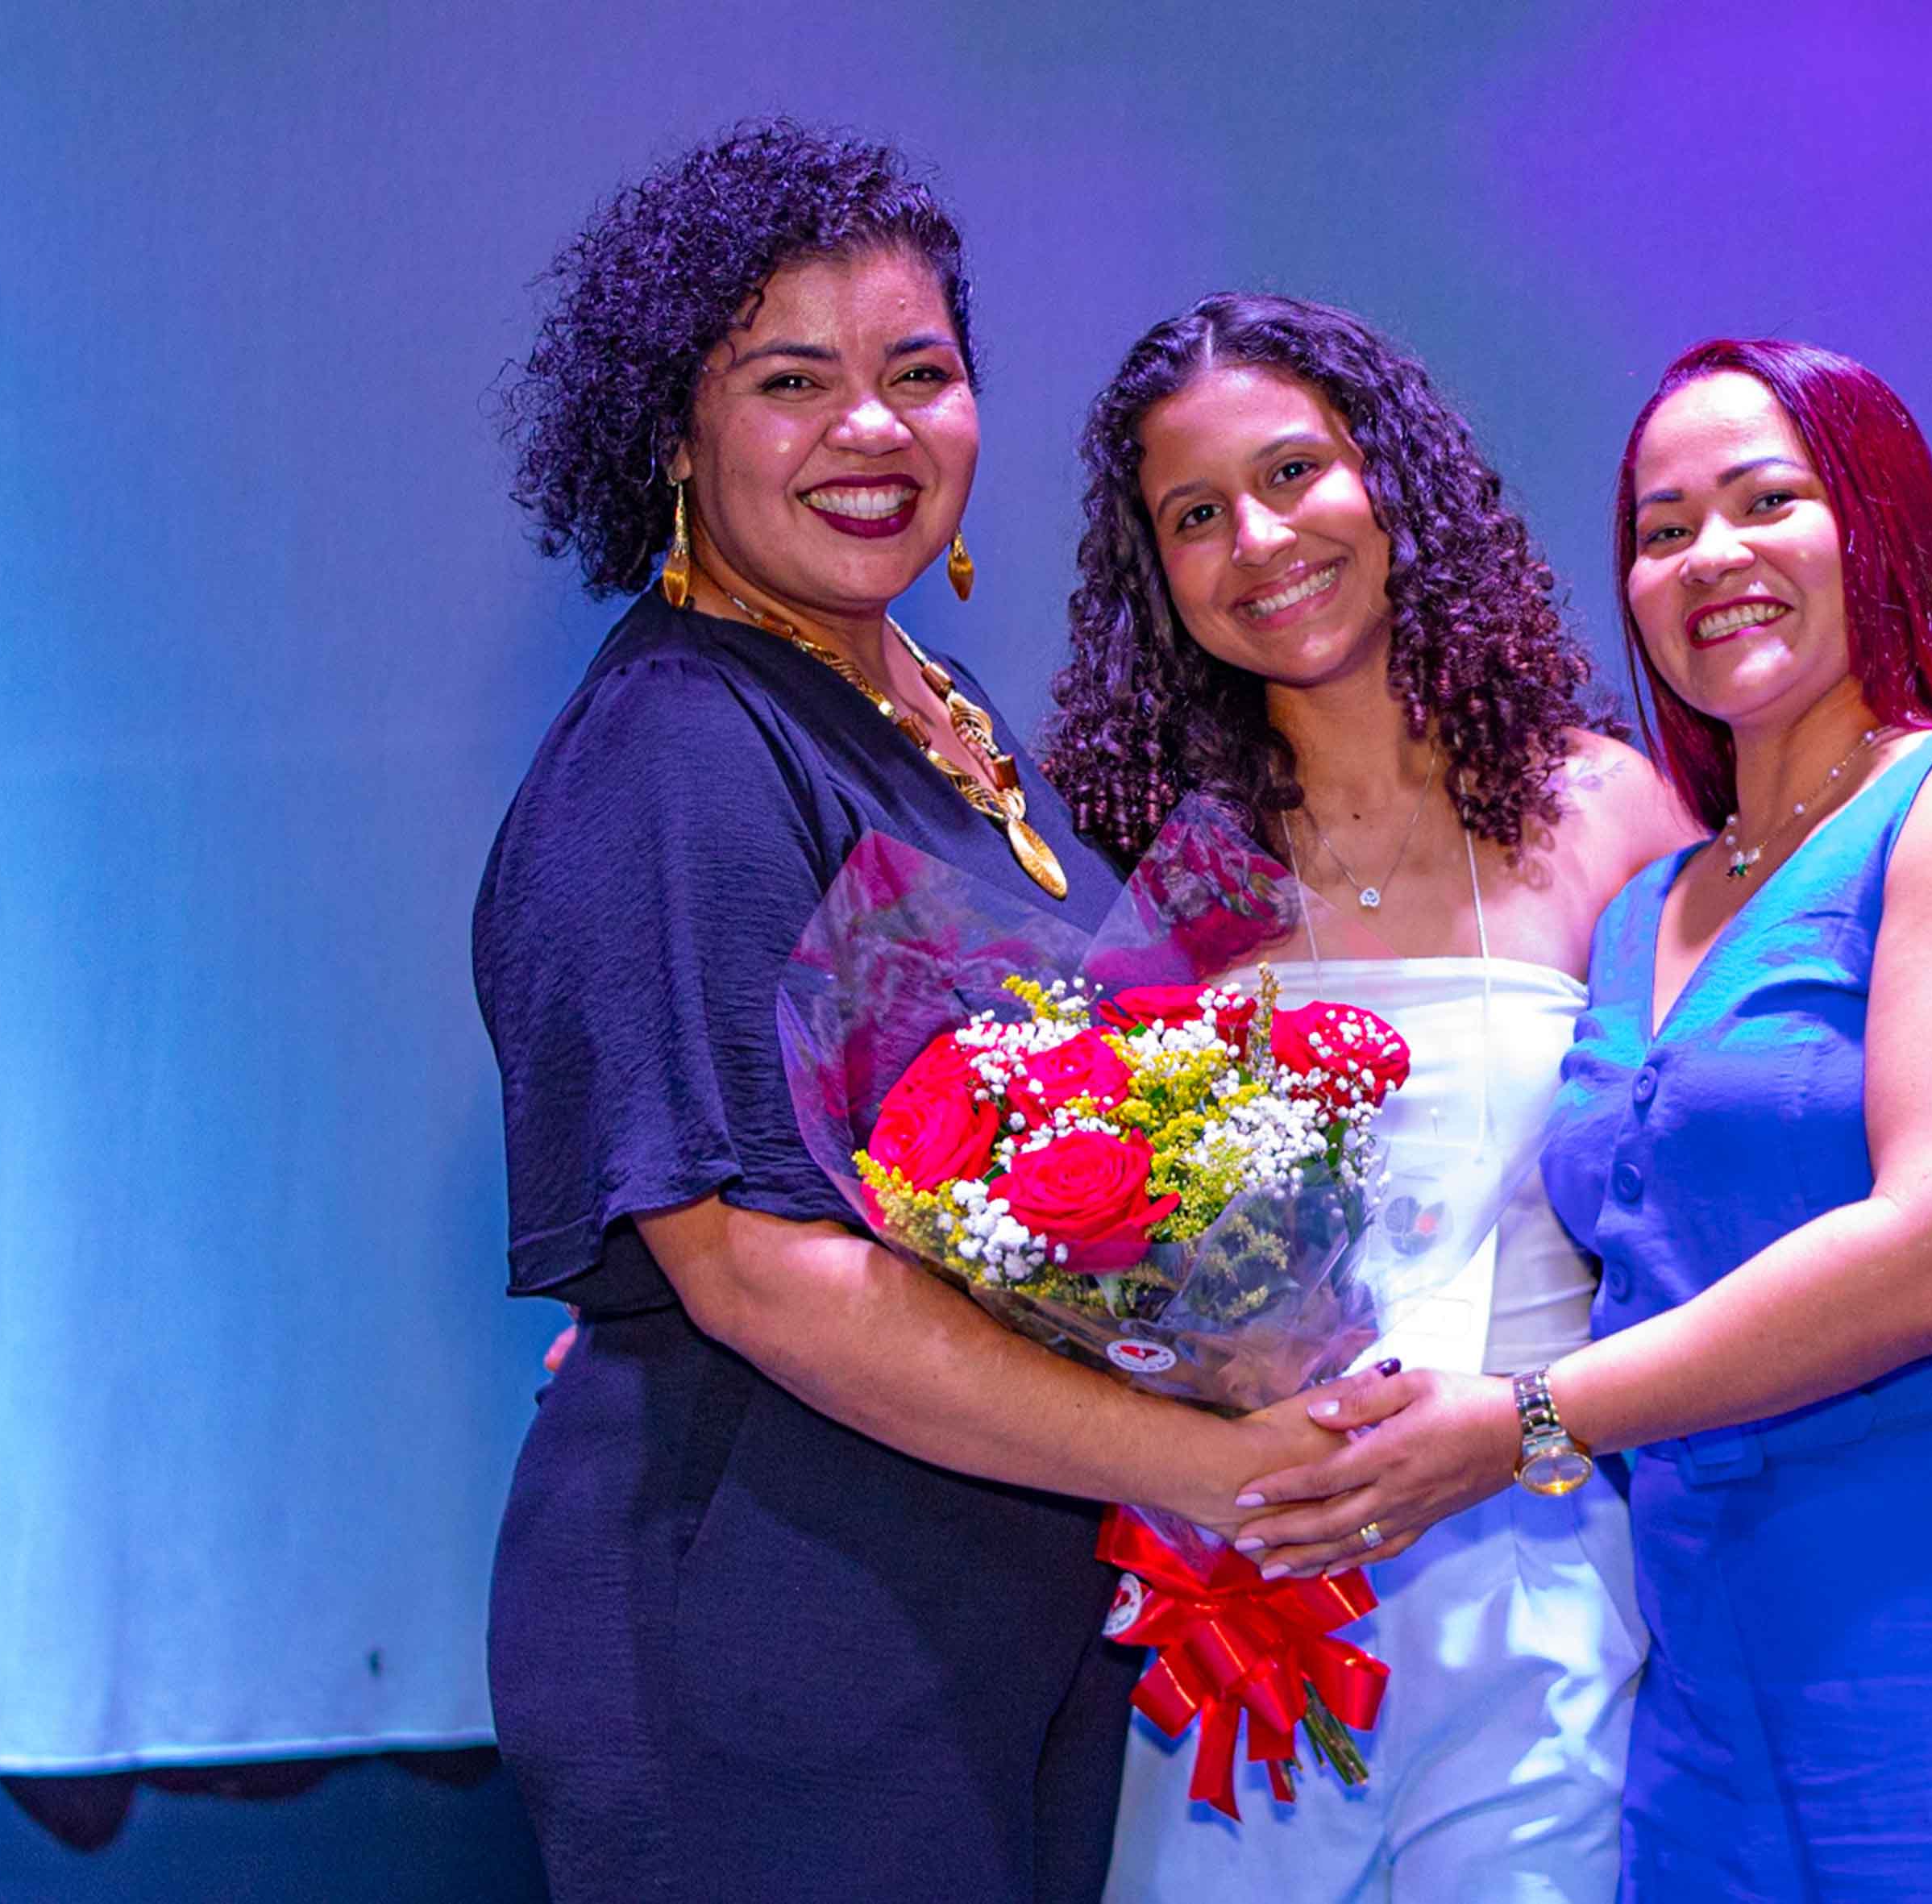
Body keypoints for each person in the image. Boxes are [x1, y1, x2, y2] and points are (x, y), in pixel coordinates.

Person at [1075, 313, 1932, 1901]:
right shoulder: (1195, 871)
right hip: (1348, 1598)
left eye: (1292, 473)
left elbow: (1906, 1159)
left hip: (1671, 1573)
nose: (1259, 538)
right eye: (1196, 512)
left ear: (1395, 487)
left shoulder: (1612, 816)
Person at [474, 125, 1348, 1904]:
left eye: (919, 373)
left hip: (981, 1611)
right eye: (791, 381)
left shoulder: (939, 710)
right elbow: (755, 1272)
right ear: (673, 434)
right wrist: (1211, 1461)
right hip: (767, 1620)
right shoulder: (679, 742)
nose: (870, 429)